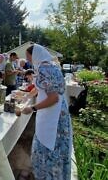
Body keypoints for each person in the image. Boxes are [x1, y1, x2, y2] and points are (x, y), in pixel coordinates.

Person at [22, 44, 72, 180]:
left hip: (52, 114)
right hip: (58, 112)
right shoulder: (51, 66)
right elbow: (42, 87)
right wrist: (28, 95)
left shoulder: (44, 69)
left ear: (36, 55)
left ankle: (46, 175)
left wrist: (32, 108)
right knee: (50, 145)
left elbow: (53, 98)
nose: (28, 60)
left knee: (47, 145)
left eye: (28, 56)